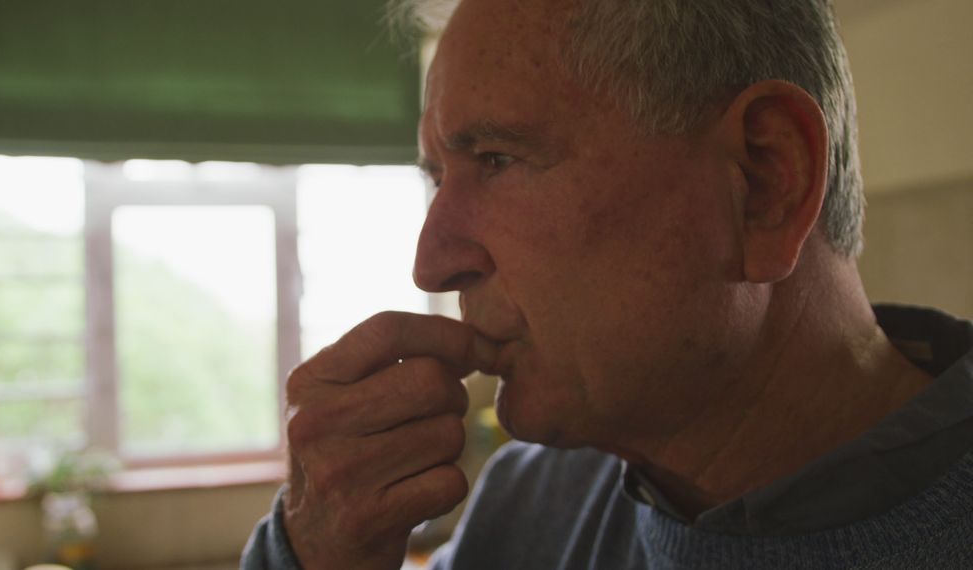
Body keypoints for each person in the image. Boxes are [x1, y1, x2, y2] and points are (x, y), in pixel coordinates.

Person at [242, 0, 973, 568]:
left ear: (764, 180)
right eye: (439, 176)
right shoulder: (527, 505)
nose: (432, 263)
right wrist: (309, 556)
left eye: (496, 158)